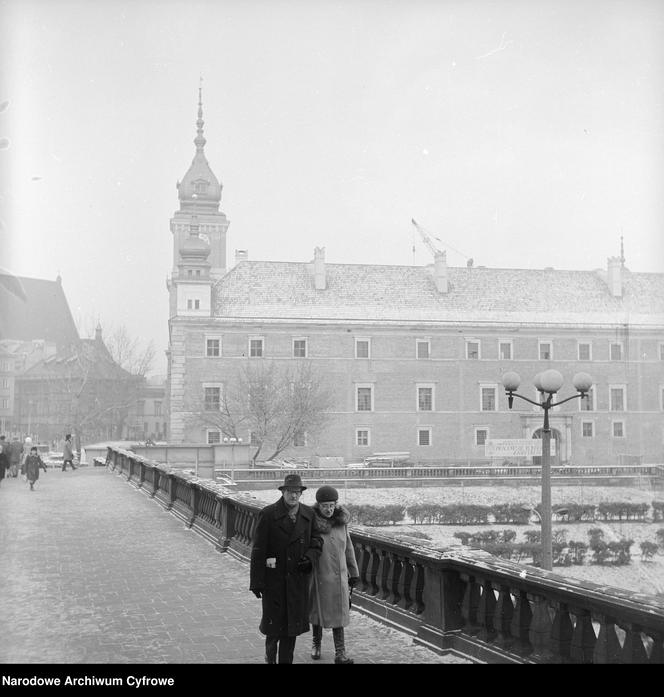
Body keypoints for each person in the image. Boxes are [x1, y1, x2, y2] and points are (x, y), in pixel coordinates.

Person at [249, 473, 322, 664]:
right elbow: (258, 550)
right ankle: (270, 658)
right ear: (283, 492)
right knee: (274, 628)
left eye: (297, 492)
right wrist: (257, 582)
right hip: (275, 581)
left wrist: (309, 559)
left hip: (297, 581)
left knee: (291, 628)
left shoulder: (308, 514)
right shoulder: (268, 514)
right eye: (290, 492)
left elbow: (317, 541)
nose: (294, 496)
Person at [308, 485, 360, 664]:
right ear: (318, 506)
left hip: (339, 578)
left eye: (331, 505)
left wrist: (354, 572)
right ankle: (316, 643)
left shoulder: (341, 523)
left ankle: (340, 653)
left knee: (339, 614)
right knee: (318, 612)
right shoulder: (311, 524)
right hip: (319, 576)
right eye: (325, 506)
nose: (329, 509)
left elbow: (349, 549)